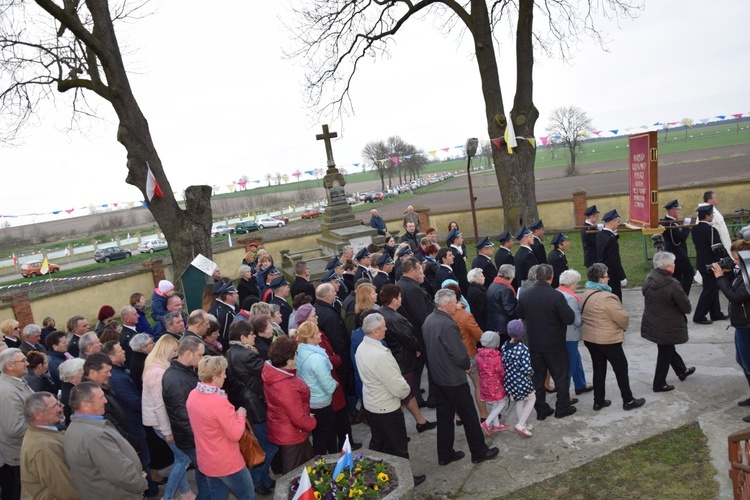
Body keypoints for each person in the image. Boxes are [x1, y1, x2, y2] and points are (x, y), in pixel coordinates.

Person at [422, 289, 499, 466]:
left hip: (438, 376)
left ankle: (445, 454)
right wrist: (466, 366)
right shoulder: (447, 324)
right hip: (453, 378)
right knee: (470, 416)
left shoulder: (429, 320)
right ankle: (479, 452)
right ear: (448, 304)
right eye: (455, 301)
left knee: (444, 417)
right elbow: (459, 353)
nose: (457, 304)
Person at [355, 313, 426, 486]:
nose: (386, 329)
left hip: (373, 404)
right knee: (398, 446)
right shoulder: (379, 354)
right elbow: (396, 384)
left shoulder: (362, 347)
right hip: (386, 407)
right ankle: (404, 480)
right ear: (376, 330)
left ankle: (378, 475)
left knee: (380, 443)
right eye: (384, 326)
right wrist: (408, 390)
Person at [65, 381, 148, 499]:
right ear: (85, 404)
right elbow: (120, 473)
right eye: (101, 397)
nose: (105, 401)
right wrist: (141, 485)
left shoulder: (80, 427)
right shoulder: (93, 436)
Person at [186, 356, 254, 500]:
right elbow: (235, 434)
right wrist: (240, 415)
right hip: (227, 462)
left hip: (207, 460)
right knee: (247, 495)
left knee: (218, 495)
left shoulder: (193, 395)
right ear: (215, 377)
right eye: (223, 372)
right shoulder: (219, 401)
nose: (225, 375)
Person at [580, 263, 645, 412]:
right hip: (608, 340)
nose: (608, 278)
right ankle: (628, 400)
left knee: (599, 369)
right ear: (601, 279)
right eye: (606, 276)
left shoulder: (586, 292)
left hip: (590, 339)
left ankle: (598, 401)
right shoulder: (607, 297)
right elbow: (622, 319)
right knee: (621, 369)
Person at [516, 264, 576, 420]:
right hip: (555, 344)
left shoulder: (525, 295)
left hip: (535, 344)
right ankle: (562, 408)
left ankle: (541, 410)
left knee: (538, 379)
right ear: (552, 277)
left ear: (536, 277)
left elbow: (520, 313)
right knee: (561, 378)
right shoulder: (556, 296)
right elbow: (569, 318)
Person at [224, 321, 277, 495]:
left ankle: (265, 479)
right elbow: (268, 373)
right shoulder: (247, 355)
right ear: (242, 337)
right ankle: (256, 481)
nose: (254, 336)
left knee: (261, 445)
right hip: (255, 408)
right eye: (251, 334)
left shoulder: (230, 352)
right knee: (268, 446)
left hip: (245, 404)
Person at [142, 335, 195, 500]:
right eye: (174, 350)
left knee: (179, 458)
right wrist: (168, 432)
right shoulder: (158, 372)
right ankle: (169, 496)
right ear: (165, 350)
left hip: (160, 423)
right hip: (162, 424)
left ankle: (185, 492)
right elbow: (160, 406)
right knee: (183, 460)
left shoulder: (155, 366)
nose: (176, 354)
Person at [378, 284, 435, 433]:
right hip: (402, 361)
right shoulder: (394, 318)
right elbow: (409, 339)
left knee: (408, 393)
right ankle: (400, 430)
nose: (401, 299)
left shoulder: (384, 312)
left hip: (400, 359)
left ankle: (420, 421)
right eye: (400, 296)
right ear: (394, 299)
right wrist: (418, 348)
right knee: (402, 395)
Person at [162, 336, 211, 500]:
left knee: (203, 474)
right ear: (189, 353)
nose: (202, 359)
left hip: (193, 438)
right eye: (200, 355)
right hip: (193, 440)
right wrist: (200, 441)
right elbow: (184, 418)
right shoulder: (177, 380)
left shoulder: (184, 372)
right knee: (210, 478)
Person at [641, 251, 695, 392]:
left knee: (666, 347)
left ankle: (682, 370)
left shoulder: (650, 277)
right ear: (668, 267)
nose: (675, 266)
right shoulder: (672, 284)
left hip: (654, 321)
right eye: (673, 263)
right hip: (668, 323)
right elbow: (686, 307)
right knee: (665, 351)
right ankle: (659, 384)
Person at [262, 336, 316, 474]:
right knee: (294, 477)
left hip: (284, 430)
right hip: (292, 435)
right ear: (288, 360)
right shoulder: (286, 386)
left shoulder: (274, 374)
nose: (296, 357)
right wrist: (311, 421)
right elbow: (298, 418)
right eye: (295, 354)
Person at [715, 236, 750, 419]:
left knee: (749, 365)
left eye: (737, 259)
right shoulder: (743, 271)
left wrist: (720, 278)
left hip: (747, 326)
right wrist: (729, 272)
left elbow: (736, 297)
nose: (735, 262)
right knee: (742, 361)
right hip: (741, 325)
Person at [20, 392, 78, 499]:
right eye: (54, 406)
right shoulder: (43, 447)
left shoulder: (44, 433)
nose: (60, 408)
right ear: (38, 414)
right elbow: (65, 488)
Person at [396, 258, 436, 408]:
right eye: (419, 268)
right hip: (420, 335)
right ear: (412, 270)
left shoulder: (400, 284)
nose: (421, 271)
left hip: (411, 335)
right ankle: (433, 398)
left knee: (417, 370)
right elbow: (421, 315)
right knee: (431, 367)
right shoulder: (413, 288)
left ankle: (417, 397)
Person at [444, 284, 488, 420]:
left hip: (450, 356)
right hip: (469, 355)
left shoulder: (442, 316)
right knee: (478, 384)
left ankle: (459, 417)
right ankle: (484, 414)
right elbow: (479, 336)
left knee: (457, 388)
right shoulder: (465, 316)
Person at [296, 321, 339, 455]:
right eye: (316, 333)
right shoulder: (316, 359)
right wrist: (335, 384)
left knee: (319, 435)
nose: (320, 334)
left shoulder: (299, 351)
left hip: (311, 400)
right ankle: (330, 462)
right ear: (309, 339)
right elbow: (328, 386)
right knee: (326, 436)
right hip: (321, 402)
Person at [0, 348, 34, 499]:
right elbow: (14, 429)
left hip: (26, 450)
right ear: (10, 366)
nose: (27, 363)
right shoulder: (7, 392)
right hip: (19, 454)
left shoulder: (18, 382)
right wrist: (43, 422)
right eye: (23, 361)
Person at [558, 270, 592, 396]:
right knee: (569, 365)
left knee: (576, 360)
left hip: (563, 334)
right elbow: (577, 321)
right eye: (576, 283)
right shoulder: (571, 299)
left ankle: (580, 384)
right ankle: (564, 395)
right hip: (570, 336)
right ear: (572, 283)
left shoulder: (558, 292)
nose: (577, 286)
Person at [692, 204, 727, 324]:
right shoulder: (711, 230)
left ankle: (716, 313)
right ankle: (699, 316)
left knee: (713, 288)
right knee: (709, 289)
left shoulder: (695, 229)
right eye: (711, 214)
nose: (712, 216)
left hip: (702, 262)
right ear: (707, 216)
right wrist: (726, 258)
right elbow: (717, 247)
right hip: (711, 263)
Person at [501, 320, 537, 437]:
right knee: (532, 399)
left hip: (510, 380)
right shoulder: (523, 349)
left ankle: (523, 423)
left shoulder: (504, 345)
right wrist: (532, 373)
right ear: (522, 333)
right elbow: (527, 369)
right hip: (522, 381)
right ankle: (521, 424)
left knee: (519, 401)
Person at [475, 331, 509, 435]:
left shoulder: (479, 355)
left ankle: (496, 425)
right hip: (495, 385)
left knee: (495, 403)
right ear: (496, 344)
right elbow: (501, 371)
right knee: (502, 403)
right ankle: (487, 422)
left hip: (484, 384)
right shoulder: (496, 357)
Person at [661, 199, 694, 295]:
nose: (679, 211)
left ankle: (676, 297)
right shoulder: (670, 223)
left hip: (675, 253)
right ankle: (682, 295)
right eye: (677, 209)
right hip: (678, 254)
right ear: (671, 210)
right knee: (689, 273)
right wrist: (686, 226)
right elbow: (678, 239)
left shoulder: (671, 222)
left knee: (677, 277)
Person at [596, 209, 627, 301]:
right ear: (612, 222)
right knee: (615, 298)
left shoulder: (600, 235)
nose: (618, 224)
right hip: (612, 275)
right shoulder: (610, 239)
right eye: (617, 222)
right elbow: (615, 260)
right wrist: (622, 277)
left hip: (603, 272)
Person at [486, 264, 518, 345]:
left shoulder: (493, 285)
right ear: (510, 276)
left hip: (493, 323)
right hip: (503, 326)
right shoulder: (506, 289)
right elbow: (510, 310)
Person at [209, 280, 239, 350]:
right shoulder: (227, 314)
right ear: (229, 296)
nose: (237, 295)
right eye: (235, 293)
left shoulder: (229, 310)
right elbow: (225, 336)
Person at [59, 358, 85, 426]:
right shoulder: (74, 394)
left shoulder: (67, 389)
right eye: (83, 373)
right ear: (72, 378)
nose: (86, 375)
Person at [447, 228, 468, 294]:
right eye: (460, 238)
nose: (462, 240)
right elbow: (461, 273)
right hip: (461, 285)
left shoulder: (452, 250)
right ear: (456, 240)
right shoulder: (456, 254)